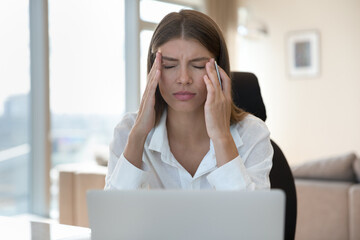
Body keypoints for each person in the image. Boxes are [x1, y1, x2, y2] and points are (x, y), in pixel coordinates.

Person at [105, 10, 273, 190]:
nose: (184, 78)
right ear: (154, 70)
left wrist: (222, 137)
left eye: (198, 65)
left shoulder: (252, 133)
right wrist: (138, 136)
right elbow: (113, 216)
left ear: (218, 70)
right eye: (169, 65)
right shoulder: (127, 131)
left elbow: (250, 218)